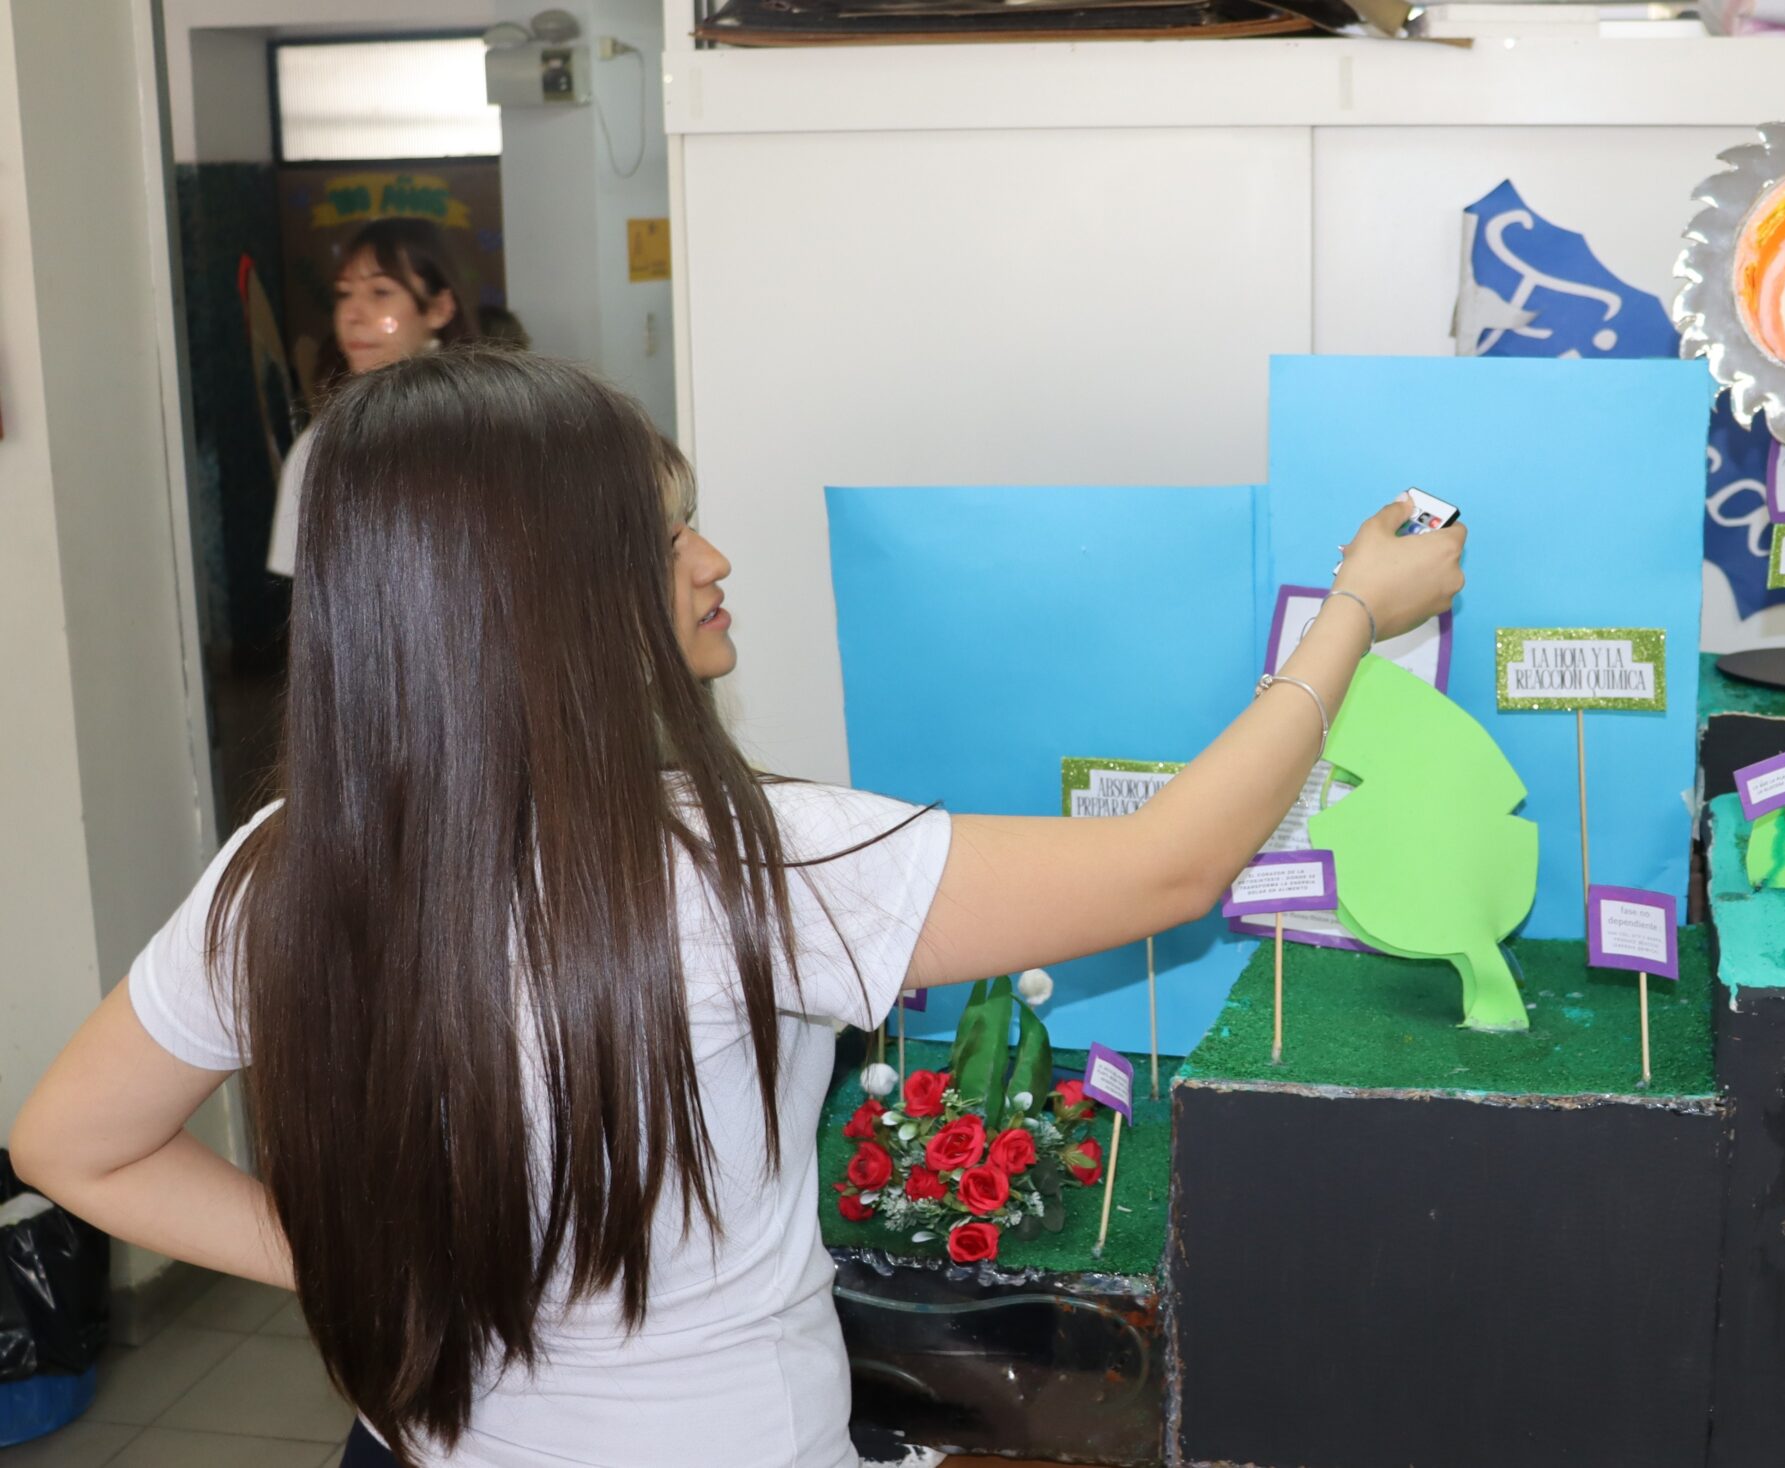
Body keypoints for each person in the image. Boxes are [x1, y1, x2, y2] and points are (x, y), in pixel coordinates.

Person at [9, 350, 1463, 1467]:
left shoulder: (279, 870)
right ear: (543, 596)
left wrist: (375, 1276)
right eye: (667, 536)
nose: (712, 563)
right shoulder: (727, 865)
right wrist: (1352, 615)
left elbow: (70, 1141)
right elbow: (1168, 868)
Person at [266, 217, 480, 578]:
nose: (352, 315)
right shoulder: (325, 443)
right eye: (344, 293)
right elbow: (303, 585)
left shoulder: (487, 423)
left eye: (380, 292)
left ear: (440, 308)